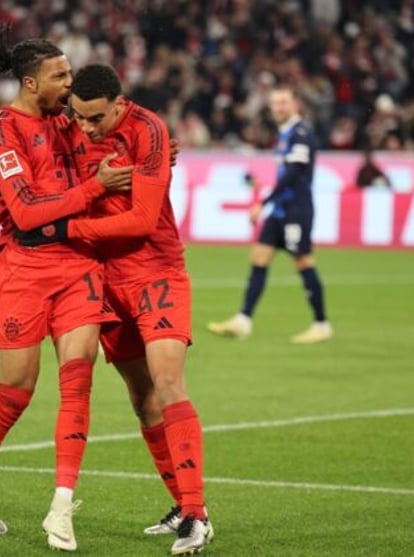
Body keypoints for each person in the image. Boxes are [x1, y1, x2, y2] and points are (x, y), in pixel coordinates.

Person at [0, 29, 132, 552]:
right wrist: (96, 188)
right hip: (23, 265)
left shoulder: (68, 120)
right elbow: (24, 211)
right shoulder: (2, 131)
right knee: (16, 391)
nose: (70, 85)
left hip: (78, 264)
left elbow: (116, 127)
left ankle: (62, 506)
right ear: (30, 83)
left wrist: (154, 148)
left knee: (78, 380)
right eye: (61, 77)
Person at [17, 63, 212, 556]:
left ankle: (196, 513)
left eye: (95, 118)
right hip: (103, 280)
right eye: (78, 117)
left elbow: (143, 221)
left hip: (156, 272)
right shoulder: (69, 123)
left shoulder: (147, 130)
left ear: (119, 103)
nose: (85, 127)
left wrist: (67, 231)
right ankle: (182, 506)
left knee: (168, 384)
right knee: (142, 398)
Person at [206, 85, 332, 344]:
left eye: (284, 102)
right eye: (275, 103)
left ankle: (321, 324)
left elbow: (294, 174)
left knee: (303, 262)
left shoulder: (300, 133)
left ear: (295, 104)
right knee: (259, 257)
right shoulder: (284, 134)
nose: (279, 108)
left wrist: (264, 202)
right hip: (281, 210)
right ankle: (243, 320)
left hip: (297, 210)